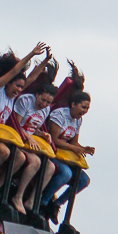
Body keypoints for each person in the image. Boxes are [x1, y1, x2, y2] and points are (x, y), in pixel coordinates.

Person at [0, 43, 52, 214]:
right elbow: (14, 72)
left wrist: (44, 63)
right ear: (8, 82)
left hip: (2, 136)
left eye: (21, 88)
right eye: (17, 86)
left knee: (19, 157)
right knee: (4, 152)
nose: (19, 90)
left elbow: (32, 79)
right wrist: (32, 54)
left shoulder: (11, 97)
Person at [41, 79, 95, 224]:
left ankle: (56, 204)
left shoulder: (78, 120)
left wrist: (83, 149)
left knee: (83, 180)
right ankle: (43, 202)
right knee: (66, 173)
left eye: (87, 109)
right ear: (73, 105)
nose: (84, 111)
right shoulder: (60, 115)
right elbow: (54, 139)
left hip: (65, 156)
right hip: (52, 152)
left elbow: (73, 142)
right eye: (83, 107)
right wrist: (74, 148)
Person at [10, 81, 58, 214]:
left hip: (29, 142)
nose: (44, 104)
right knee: (35, 162)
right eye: (43, 100)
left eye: (48, 102)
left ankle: (31, 200)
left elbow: (33, 127)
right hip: (17, 138)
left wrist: (42, 134)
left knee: (51, 167)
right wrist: (28, 136)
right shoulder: (25, 101)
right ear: (37, 95)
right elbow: (16, 124)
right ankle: (17, 196)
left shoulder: (46, 110)